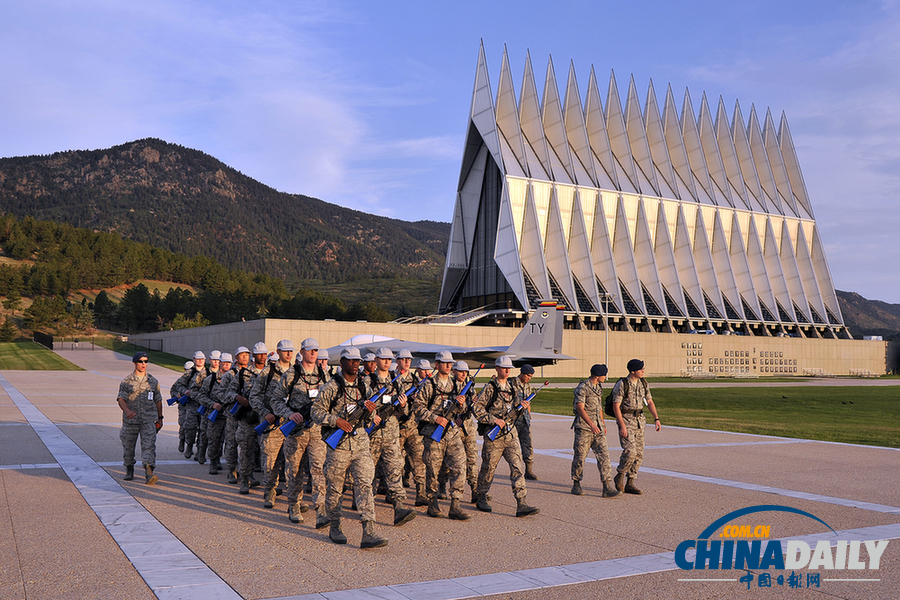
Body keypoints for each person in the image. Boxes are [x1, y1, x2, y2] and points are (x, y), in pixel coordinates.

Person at [311, 346, 388, 548]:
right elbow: (315, 412)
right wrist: (335, 421)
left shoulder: (364, 386)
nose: (355, 364)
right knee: (335, 489)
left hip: (361, 444)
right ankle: (335, 525)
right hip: (339, 447)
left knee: (364, 485)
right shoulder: (331, 387)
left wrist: (371, 411)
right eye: (351, 360)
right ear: (342, 362)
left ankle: (368, 531)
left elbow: (371, 417)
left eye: (358, 361)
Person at [269, 338, 330, 527]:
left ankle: (320, 509)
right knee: (294, 470)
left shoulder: (325, 375)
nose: (313, 353)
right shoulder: (291, 374)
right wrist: (289, 414)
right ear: (302, 352)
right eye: (309, 350)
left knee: (319, 469)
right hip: (296, 430)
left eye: (316, 350)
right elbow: (276, 400)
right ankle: (294, 504)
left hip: (317, 431)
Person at [472, 355, 539, 517]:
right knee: (488, 469)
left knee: (517, 467)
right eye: (504, 368)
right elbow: (477, 409)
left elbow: (514, 411)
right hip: (494, 437)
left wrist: (522, 408)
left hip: (510, 434)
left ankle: (521, 502)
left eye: (509, 368)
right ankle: (481, 496)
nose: (507, 370)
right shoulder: (490, 388)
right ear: (497, 368)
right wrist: (493, 420)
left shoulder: (513, 388)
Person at [414, 351, 471, 520]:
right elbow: (418, 408)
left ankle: (455, 504)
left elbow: (465, 410)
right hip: (433, 433)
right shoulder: (429, 384)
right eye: (444, 363)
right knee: (432, 469)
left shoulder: (457, 385)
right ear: (437, 364)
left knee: (460, 465)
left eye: (450, 363)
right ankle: (432, 503)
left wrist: (461, 405)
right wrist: (435, 418)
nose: (448, 365)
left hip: (452, 432)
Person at [365, 347, 416, 526]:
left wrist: (402, 406)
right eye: (383, 359)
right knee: (368, 473)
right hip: (372, 434)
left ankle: (399, 507)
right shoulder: (367, 381)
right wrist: (372, 416)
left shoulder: (396, 382)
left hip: (392, 434)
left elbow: (404, 411)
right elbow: (359, 406)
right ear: (377, 360)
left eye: (389, 359)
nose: (387, 362)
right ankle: (366, 511)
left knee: (395, 470)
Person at [249, 339, 293, 509]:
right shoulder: (268, 372)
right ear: (278, 352)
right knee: (270, 461)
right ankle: (269, 491)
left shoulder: (297, 372)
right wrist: (265, 413)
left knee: (292, 462)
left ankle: (293, 497)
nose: (289, 353)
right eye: (285, 350)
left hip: (291, 424)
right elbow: (254, 396)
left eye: (291, 351)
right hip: (272, 424)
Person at [611, 359, 661, 495]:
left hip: (640, 421)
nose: (643, 371)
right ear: (633, 371)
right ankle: (620, 474)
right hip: (626, 420)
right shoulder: (622, 384)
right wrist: (622, 426)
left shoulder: (643, 383)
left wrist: (656, 418)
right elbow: (616, 406)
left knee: (639, 454)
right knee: (630, 451)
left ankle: (630, 482)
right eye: (641, 369)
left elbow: (649, 401)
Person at [570, 364, 620, 498]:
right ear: (598, 375)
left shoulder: (598, 387)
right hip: (584, 429)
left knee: (604, 456)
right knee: (580, 457)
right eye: (604, 374)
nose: (606, 377)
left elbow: (599, 408)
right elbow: (580, 408)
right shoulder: (583, 388)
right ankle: (576, 484)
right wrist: (591, 424)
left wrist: (602, 424)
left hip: (598, 429)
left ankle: (607, 486)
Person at [117, 352, 163, 485]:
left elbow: (158, 400)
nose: (143, 364)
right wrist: (127, 411)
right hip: (131, 421)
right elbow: (121, 399)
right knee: (128, 446)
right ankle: (129, 468)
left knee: (149, 446)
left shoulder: (153, 381)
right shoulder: (127, 381)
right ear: (135, 363)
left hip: (148, 420)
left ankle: (149, 472)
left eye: (146, 361)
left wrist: (160, 418)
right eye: (141, 361)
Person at [196, 352, 233, 475]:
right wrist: (212, 404)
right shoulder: (210, 379)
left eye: (229, 363)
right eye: (224, 362)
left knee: (229, 441)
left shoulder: (235, 379)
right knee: (213, 439)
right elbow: (201, 396)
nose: (226, 365)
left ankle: (230, 465)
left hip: (230, 415)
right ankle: (213, 461)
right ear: (220, 363)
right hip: (215, 415)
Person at [511, 364, 537, 480]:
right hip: (513, 420)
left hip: (525, 420)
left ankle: (529, 470)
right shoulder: (511, 384)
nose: (528, 378)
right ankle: (515, 471)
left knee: (527, 445)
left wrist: (529, 415)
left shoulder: (527, 386)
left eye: (530, 376)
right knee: (512, 447)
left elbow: (528, 402)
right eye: (527, 375)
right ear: (521, 373)